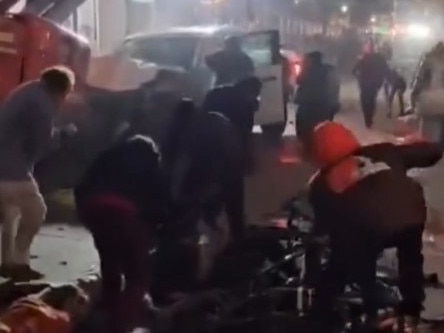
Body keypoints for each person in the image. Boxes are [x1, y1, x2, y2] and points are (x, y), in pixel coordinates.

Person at [307, 121, 442, 330]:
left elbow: (325, 227)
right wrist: (418, 143)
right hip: (411, 215)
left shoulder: (320, 183)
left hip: (371, 228)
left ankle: (327, 314)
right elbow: (431, 152)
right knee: (411, 259)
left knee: (341, 260)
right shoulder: (383, 151)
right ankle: (411, 309)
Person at [74, 135, 167, 333]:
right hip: (123, 212)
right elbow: (158, 204)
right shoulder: (152, 164)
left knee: (109, 261)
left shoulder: (107, 155)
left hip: (91, 208)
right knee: (138, 275)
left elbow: (81, 186)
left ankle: (106, 311)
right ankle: (119, 326)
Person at [0, 66, 75, 281]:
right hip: (10, 167)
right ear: (62, 89)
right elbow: (43, 141)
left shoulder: (28, 91)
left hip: (7, 161)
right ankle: (20, 262)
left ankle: (8, 262)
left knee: (12, 212)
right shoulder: (43, 102)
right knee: (36, 210)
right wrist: (64, 134)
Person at [295, 51, 332, 146]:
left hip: (307, 102)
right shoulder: (326, 70)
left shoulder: (307, 70)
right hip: (322, 101)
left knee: (304, 124)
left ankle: (307, 142)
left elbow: (298, 80)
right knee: (320, 123)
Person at [353, 48, 389, 128]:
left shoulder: (363, 60)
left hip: (364, 84)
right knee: (372, 101)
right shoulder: (377, 60)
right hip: (373, 84)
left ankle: (367, 119)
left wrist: (358, 78)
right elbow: (385, 70)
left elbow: (354, 71)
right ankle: (369, 119)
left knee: (365, 102)